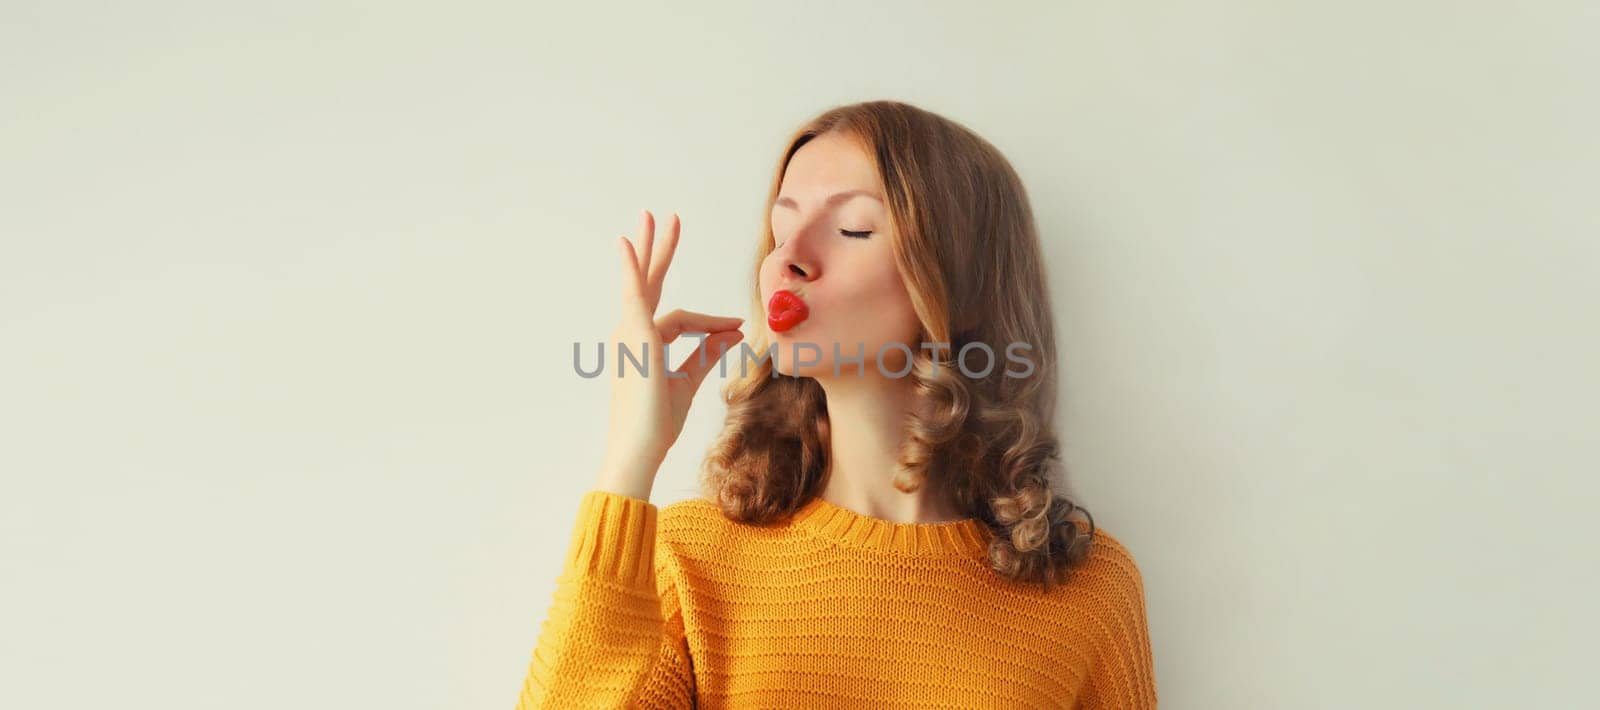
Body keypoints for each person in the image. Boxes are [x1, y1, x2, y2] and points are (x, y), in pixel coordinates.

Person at [514, 100, 1158, 708]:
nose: (787, 260)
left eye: (852, 228)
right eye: (781, 227)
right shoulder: (692, 558)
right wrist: (630, 462)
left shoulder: (1089, 591)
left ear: (958, 282)